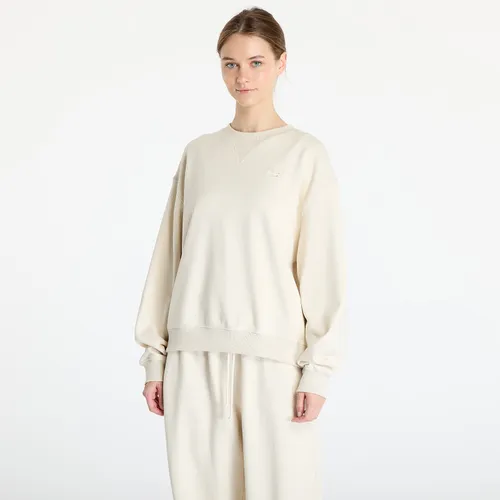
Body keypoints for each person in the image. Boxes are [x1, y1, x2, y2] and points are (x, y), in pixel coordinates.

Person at [134, 6, 347, 500]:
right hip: (192, 362)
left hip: (274, 365)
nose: (242, 76)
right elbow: (168, 261)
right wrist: (154, 359)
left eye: (255, 63)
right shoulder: (199, 153)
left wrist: (317, 370)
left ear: (281, 63)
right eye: (230, 64)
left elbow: (322, 269)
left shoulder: (305, 155)